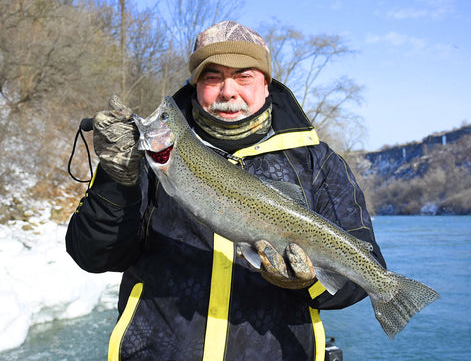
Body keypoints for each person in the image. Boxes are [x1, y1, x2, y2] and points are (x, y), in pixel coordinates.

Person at [66, 20, 385, 361]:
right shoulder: (148, 157)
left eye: (244, 76)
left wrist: (309, 281)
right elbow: (94, 256)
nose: (228, 91)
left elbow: (360, 278)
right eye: (212, 77)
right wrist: (116, 179)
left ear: (266, 84)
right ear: (195, 85)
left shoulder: (318, 163)